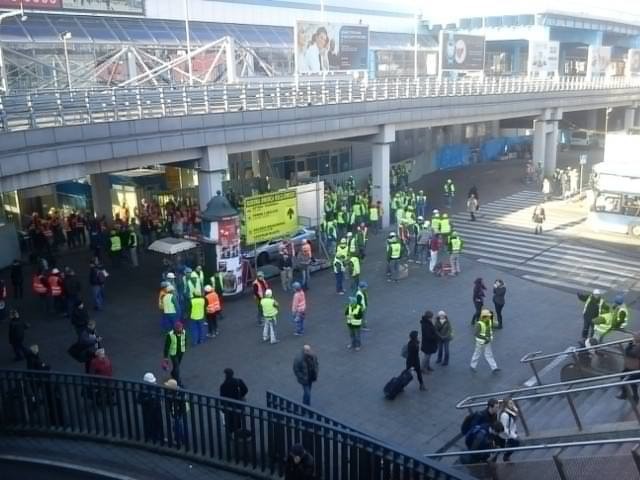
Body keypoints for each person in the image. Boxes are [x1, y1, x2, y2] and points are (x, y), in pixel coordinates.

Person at [219, 368, 249, 435]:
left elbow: (222, 398)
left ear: (226, 375)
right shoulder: (238, 381)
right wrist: (241, 395)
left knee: (229, 419)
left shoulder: (223, 386)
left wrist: (222, 408)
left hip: (228, 405)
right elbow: (245, 390)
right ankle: (239, 431)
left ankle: (232, 432)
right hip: (238, 403)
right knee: (238, 417)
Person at [470, 309, 500, 373]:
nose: (489, 317)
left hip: (487, 341)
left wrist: (489, 337)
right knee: (477, 353)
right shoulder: (479, 324)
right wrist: (485, 338)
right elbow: (476, 334)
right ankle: (472, 365)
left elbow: (489, 330)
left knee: (489, 354)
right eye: (488, 316)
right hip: (480, 342)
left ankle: (494, 367)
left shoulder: (489, 321)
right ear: (484, 316)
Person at [138, 372, 164, 444]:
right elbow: (139, 400)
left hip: (155, 408)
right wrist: (148, 399)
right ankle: (151, 435)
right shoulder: (143, 389)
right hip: (149, 409)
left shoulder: (155, 387)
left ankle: (157, 435)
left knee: (157, 422)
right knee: (149, 422)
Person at [164, 378, 188, 448]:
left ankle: (179, 440)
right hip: (179, 411)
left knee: (177, 425)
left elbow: (179, 406)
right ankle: (181, 439)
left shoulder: (176, 394)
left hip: (177, 411)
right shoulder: (180, 391)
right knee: (178, 424)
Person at [617, 333, 640, 402]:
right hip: (632, 367)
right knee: (623, 376)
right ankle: (625, 393)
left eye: (634, 337)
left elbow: (629, 353)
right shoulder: (636, 345)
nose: (633, 339)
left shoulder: (638, 347)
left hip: (636, 369)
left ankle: (635, 397)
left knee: (629, 380)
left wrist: (630, 344)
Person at [163, 321, 187, 387]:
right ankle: (179, 382)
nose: (181, 329)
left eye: (181, 328)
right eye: (180, 328)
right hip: (173, 353)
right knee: (177, 367)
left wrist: (185, 348)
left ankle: (173, 373)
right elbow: (166, 346)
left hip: (181, 352)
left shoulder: (184, 332)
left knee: (177, 366)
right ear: (176, 329)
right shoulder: (170, 335)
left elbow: (185, 340)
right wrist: (165, 357)